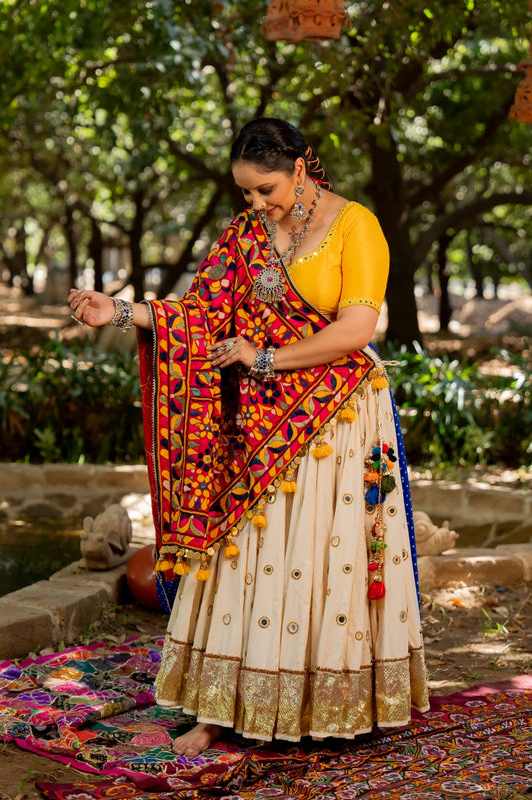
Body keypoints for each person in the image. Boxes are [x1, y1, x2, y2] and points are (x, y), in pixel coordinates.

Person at [69, 117, 429, 759]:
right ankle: (217, 710)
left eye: (265, 189)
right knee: (236, 561)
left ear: (300, 168)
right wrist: (120, 311)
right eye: (246, 194)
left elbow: (355, 331)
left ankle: (324, 705)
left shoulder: (356, 226)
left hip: (336, 421)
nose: (255, 205)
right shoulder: (247, 234)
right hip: (255, 423)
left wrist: (265, 358)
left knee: (321, 562)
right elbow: (199, 314)